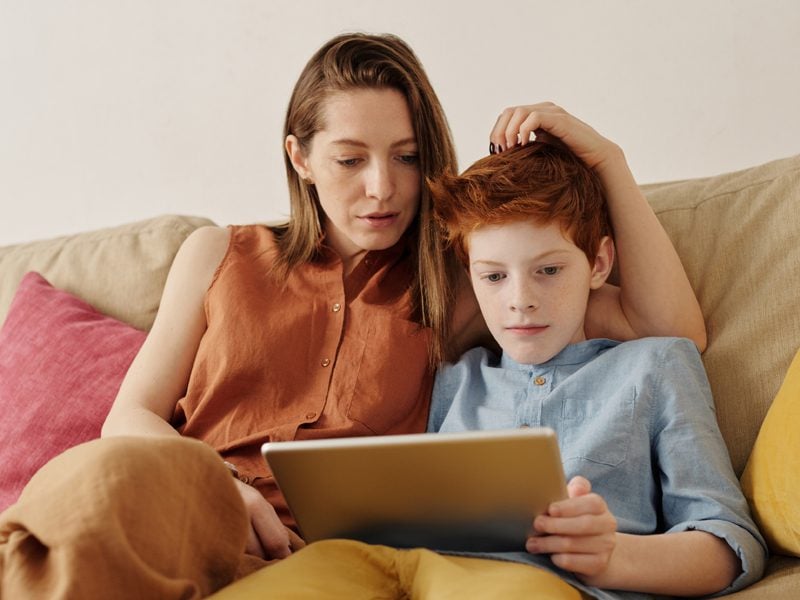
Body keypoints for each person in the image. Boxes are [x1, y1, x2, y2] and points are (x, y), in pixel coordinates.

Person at [0, 32, 706, 598]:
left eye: (405, 157)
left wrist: (608, 160)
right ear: (300, 159)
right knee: (99, 482)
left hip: (317, 564)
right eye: (349, 159)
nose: (381, 188)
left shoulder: (460, 284)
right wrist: (221, 485)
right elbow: (130, 417)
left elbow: (666, 325)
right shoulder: (218, 252)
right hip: (186, 499)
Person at [219, 142, 765, 600]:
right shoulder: (456, 377)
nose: (520, 301)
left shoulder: (654, 365)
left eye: (549, 270)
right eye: (494, 277)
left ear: (598, 264)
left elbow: (730, 542)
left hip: (526, 582)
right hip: (384, 567)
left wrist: (614, 555)